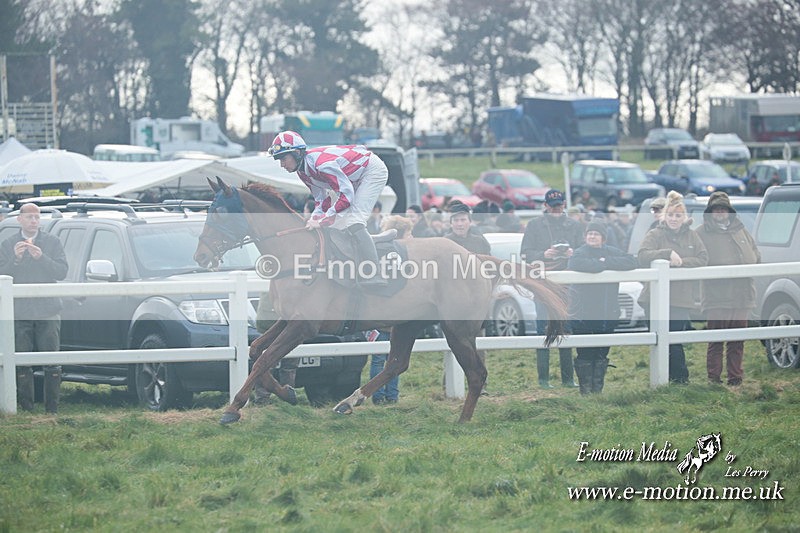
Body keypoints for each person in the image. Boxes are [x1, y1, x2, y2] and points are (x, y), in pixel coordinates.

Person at [268, 130, 388, 287]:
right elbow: (321, 200)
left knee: (354, 220)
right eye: (279, 160)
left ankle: (374, 273)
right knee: (337, 223)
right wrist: (314, 219)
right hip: (354, 176)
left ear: (297, 153)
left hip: (371, 171)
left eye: (283, 158)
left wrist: (323, 220)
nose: (282, 164)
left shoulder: (322, 164)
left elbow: (346, 196)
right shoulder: (302, 171)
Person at [0, 203, 68, 413]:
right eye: (29, 217)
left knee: (52, 361)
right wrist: (17, 259)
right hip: (19, 311)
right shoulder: (7, 243)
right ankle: (26, 409)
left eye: (36, 217)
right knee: (21, 361)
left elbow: (62, 272)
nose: (33, 221)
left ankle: (52, 410)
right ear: (19, 219)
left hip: (47, 309)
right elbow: (2, 274)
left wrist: (41, 258)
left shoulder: (52, 242)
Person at [637, 191, 708, 384]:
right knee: (659, 340)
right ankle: (664, 379)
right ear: (665, 216)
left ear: (684, 216)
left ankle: (679, 380)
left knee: (675, 340)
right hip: (654, 298)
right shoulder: (655, 234)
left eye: (678, 215)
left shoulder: (692, 236)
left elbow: (703, 258)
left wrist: (681, 262)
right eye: (670, 215)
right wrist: (667, 254)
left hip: (680, 298)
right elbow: (643, 254)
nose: (674, 219)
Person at [520, 189, 584, 389]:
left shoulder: (574, 226)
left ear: (563, 205)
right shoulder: (534, 226)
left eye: (559, 205)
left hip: (566, 284)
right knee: (543, 328)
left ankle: (567, 378)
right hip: (542, 282)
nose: (556, 209)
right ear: (545, 206)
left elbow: (584, 249)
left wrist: (573, 253)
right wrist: (544, 254)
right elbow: (526, 253)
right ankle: (543, 379)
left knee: (566, 327)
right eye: (552, 206)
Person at [695, 192, 760, 386]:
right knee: (716, 340)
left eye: (724, 209)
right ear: (710, 212)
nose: (721, 213)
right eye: (717, 209)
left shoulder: (741, 230)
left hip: (742, 295)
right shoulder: (700, 233)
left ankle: (735, 379)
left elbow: (755, 254)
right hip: (717, 297)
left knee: (738, 340)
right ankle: (714, 379)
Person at [568, 221, 637, 394]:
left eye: (596, 234)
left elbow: (631, 261)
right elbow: (576, 263)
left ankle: (597, 391)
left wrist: (605, 261)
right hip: (583, 315)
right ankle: (586, 391)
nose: (592, 236)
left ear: (603, 238)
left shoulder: (611, 252)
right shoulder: (579, 252)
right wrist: (601, 265)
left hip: (607, 313)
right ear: (585, 237)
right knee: (584, 353)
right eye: (589, 233)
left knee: (601, 353)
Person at [365, 329, 398, 404]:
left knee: (378, 363)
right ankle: (392, 397)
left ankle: (378, 397)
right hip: (396, 329)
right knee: (394, 363)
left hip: (380, 329)